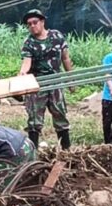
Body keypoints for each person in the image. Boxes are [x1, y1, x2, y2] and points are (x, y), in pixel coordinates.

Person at [17, 9, 73, 149]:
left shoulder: (56, 36)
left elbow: (65, 58)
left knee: (60, 116)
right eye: (29, 24)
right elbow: (26, 62)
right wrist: (22, 74)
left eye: (35, 22)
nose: (32, 26)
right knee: (34, 121)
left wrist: (70, 79)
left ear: (42, 22)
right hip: (37, 85)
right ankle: (33, 153)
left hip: (55, 82)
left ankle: (66, 151)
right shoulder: (29, 42)